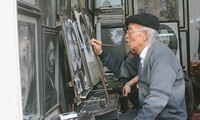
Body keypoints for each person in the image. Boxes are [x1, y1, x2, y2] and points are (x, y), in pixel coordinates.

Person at [90, 13, 187, 119]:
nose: (126, 35)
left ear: (145, 35)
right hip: (151, 113)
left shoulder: (161, 57)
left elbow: (156, 102)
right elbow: (121, 68)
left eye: (130, 31)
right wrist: (100, 52)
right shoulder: (142, 55)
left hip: (167, 117)